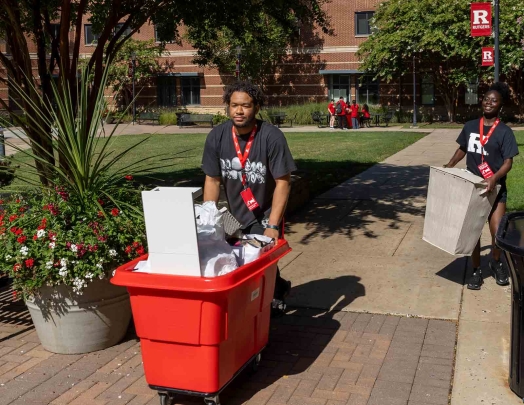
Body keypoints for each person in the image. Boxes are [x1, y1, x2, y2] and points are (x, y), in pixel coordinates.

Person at [201, 80, 297, 312]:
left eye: (245, 105)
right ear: (227, 107)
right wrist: (208, 217)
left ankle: (265, 302)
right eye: (234, 105)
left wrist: (273, 224)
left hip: (263, 212)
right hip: (234, 212)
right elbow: (212, 180)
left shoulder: (271, 137)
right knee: (233, 256)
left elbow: (283, 183)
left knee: (259, 260)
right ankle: (278, 287)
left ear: (257, 107)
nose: (239, 111)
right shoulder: (217, 136)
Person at [444, 82, 519, 290]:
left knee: (497, 232)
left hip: (495, 189)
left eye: (494, 100)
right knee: (474, 232)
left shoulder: (504, 132)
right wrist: (450, 165)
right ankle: (476, 270)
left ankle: (495, 262)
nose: (489, 102)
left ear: (500, 105)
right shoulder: (470, 126)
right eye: (486, 99)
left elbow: (508, 162)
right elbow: (462, 148)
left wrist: (494, 178)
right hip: (473, 188)